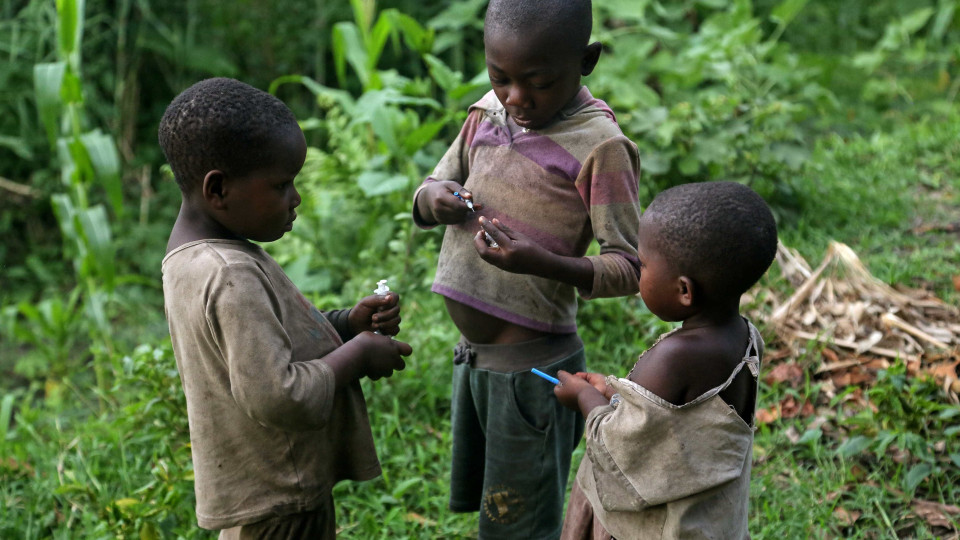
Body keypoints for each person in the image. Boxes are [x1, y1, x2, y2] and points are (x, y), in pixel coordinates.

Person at [411, 0, 643, 537]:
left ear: (586, 61)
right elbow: (430, 187)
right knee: (497, 514)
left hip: (530, 371)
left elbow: (628, 267)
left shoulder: (601, 147)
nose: (515, 98)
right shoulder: (485, 114)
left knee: (520, 524)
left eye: (537, 82)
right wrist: (434, 201)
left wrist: (544, 263)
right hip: (475, 363)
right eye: (501, 78)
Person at [159, 77, 412, 539]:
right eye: (281, 185)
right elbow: (279, 396)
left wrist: (346, 326)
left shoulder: (196, 258)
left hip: (262, 499)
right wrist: (358, 357)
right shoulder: (228, 274)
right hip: (280, 505)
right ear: (218, 190)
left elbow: (261, 346)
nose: (295, 197)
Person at [554, 181, 779, 540]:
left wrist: (584, 398)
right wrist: (612, 394)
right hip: (705, 523)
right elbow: (675, 425)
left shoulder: (673, 357)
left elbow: (618, 449)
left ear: (684, 291)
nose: (638, 273)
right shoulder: (746, 337)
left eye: (642, 265)